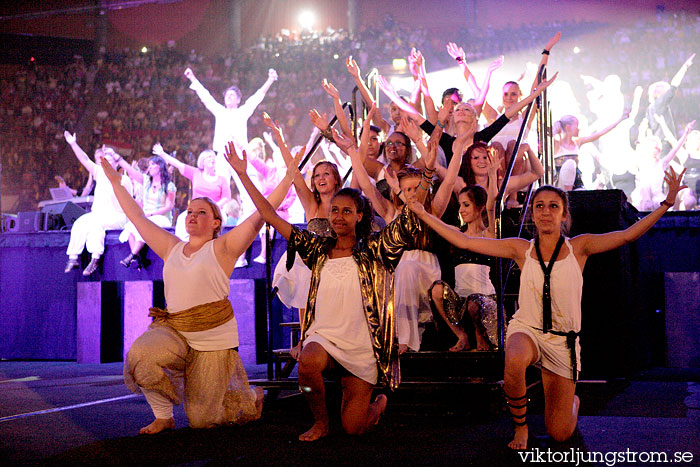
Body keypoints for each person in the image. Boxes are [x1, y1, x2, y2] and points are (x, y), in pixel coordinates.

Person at [405, 168, 686, 449]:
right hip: (527, 329)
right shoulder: (520, 249)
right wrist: (423, 213)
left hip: (562, 343)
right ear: (532, 214)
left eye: (553, 206)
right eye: (539, 206)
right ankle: (521, 428)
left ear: (564, 214)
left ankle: (571, 402)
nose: (545, 212)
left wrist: (667, 203)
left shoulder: (580, 247)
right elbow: (465, 240)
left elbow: (627, 235)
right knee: (514, 358)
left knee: (560, 432)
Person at [231, 144, 423, 442]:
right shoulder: (317, 248)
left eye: (347, 211)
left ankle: (377, 405)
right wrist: (243, 175)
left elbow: (409, 222)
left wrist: (424, 180)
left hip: (361, 344)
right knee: (307, 362)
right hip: (325, 336)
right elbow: (269, 215)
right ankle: (320, 421)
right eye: (334, 210)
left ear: (360, 216)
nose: (338, 217)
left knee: (353, 428)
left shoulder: (376, 249)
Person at [102, 140, 295, 434]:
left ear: (217, 222)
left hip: (213, 338)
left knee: (205, 421)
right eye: (190, 211)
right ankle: (164, 417)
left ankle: (252, 397)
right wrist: (117, 183)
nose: (192, 215)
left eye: (201, 212)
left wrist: (288, 174)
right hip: (176, 331)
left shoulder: (225, 247)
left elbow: (261, 215)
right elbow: (137, 217)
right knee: (142, 354)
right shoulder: (171, 247)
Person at [184, 66, 278, 223]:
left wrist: (270, 79)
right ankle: (217, 218)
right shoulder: (220, 111)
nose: (228, 97)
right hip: (222, 155)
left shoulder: (242, 111)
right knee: (221, 187)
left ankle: (251, 217)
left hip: (239, 154)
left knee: (245, 187)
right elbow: (205, 97)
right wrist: (193, 78)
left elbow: (257, 97)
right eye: (226, 95)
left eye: (232, 95)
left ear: (238, 99)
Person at [429, 185, 498, 352]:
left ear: (479, 207)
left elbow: (492, 206)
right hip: (460, 302)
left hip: (484, 300)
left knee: (474, 301)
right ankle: (462, 336)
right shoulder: (457, 234)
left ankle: (481, 338)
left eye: (466, 205)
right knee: (437, 289)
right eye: (460, 205)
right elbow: (434, 222)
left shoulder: (489, 235)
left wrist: (492, 175)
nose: (461, 210)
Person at [63, 132, 132, 276]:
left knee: (96, 224)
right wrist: (73, 144)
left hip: (117, 216)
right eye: (103, 160)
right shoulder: (99, 172)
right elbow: (84, 159)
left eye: (108, 160)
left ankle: (95, 258)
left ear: (116, 163)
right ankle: (73, 257)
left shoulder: (123, 180)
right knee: (80, 222)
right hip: (98, 215)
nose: (104, 163)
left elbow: (129, 205)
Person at [152, 144, 231, 241]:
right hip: (196, 210)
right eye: (209, 157)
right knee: (182, 219)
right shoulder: (196, 173)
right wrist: (162, 154)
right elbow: (178, 164)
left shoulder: (221, 179)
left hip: (215, 211)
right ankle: (183, 248)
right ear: (202, 162)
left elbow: (226, 198)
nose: (212, 159)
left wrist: (213, 207)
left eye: (213, 157)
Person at [117, 155, 176, 269]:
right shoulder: (147, 181)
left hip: (161, 217)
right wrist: (118, 158)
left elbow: (169, 206)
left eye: (153, 164)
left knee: (144, 226)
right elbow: (131, 171)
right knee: (131, 227)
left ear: (160, 167)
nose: (150, 167)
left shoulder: (169, 185)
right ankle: (137, 257)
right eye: (149, 165)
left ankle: (132, 255)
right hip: (147, 217)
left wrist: (152, 214)